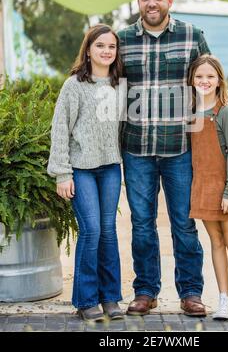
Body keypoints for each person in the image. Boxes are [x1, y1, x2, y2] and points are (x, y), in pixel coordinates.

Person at [118, 0, 210, 316]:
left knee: (184, 222)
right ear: (138, 2)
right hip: (136, 147)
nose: (151, 3)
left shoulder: (192, 36)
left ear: (170, 0)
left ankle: (190, 292)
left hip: (179, 149)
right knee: (142, 223)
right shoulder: (123, 39)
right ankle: (145, 290)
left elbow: (210, 84)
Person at [47, 24, 126, 322]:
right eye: (100, 45)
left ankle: (110, 298)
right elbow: (60, 129)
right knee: (91, 230)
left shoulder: (120, 84)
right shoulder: (74, 85)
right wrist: (62, 173)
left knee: (108, 232)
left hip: (110, 169)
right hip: (80, 169)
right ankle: (86, 300)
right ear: (89, 50)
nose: (107, 51)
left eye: (111, 46)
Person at [187, 54, 228, 321]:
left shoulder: (225, 112)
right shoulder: (192, 112)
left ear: (219, 80)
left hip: (225, 189)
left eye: (210, 76)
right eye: (199, 76)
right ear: (192, 80)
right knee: (215, 242)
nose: (204, 81)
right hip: (203, 188)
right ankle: (222, 299)